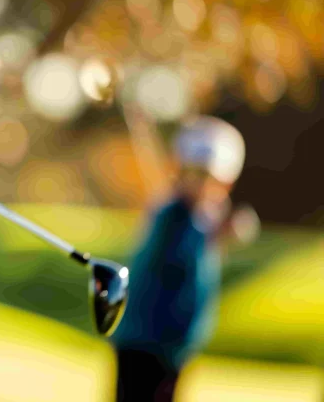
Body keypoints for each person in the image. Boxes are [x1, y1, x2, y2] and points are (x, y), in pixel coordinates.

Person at [111, 110, 259, 402]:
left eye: (210, 178)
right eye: (196, 174)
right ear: (180, 172)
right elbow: (184, 246)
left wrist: (219, 231)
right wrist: (219, 231)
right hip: (146, 344)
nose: (203, 185)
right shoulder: (173, 214)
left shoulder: (200, 218)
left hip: (172, 347)